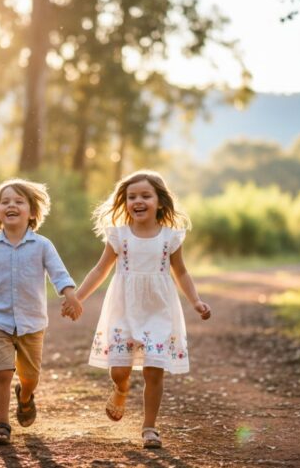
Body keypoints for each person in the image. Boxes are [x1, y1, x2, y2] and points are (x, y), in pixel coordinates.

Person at [63, 170, 211, 449]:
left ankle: (149, 428)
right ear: (125, 202)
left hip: (159, 310)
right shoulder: (119, 236)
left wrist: (196, 301)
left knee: (154, 370)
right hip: (124, 308)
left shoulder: (170, 237)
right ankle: (121, 389)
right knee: (120, 370)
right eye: (131, 197)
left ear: (160, 201)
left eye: (145, 196)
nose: (137, 201)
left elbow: (181, 273)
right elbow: (100, 270)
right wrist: (77, 297)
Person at [0, 178, 83, 446]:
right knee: (2, 373)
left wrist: (71, 296)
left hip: (32, 324)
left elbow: (59, 274)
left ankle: (25, 396)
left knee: (30, 378)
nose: (11, 205)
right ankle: (2, 424)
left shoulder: (43, 245)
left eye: (18, 201)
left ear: (32, 212)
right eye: (5, 202)